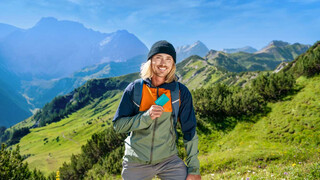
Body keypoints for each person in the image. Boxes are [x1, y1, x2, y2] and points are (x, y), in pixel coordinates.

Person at [113, 40, 201, 180]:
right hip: (136, 160)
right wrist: (146, 117)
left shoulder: (180, 93)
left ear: (173, 64)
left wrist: (194, 169)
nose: (163, 63)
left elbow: (189, 131)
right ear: (150, 61)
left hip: (168, 160)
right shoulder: (135, 89)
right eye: (158, 57)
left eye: (168, 59)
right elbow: (118, 125)